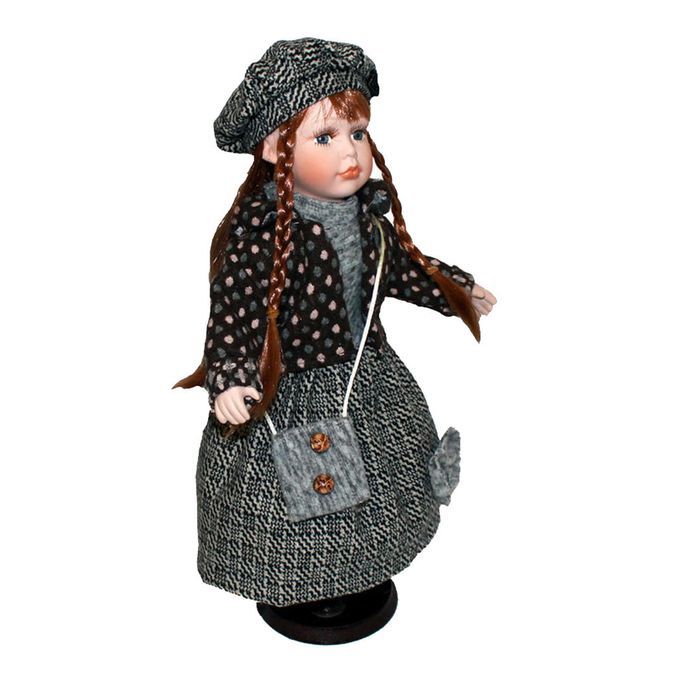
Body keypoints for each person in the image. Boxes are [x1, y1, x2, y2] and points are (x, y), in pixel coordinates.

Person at [174, 37, 497, 608]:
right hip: (288, 391)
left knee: (380, 484)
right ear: (275, 147)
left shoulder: (367, 222)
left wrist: (454, 289)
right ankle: (303, 587)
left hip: (365, 379)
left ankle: (364, 572)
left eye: (358, 133)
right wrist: (229, 379)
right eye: (325, 137)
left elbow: (402, 269)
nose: (350, 151)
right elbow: (232, 314)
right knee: (295, 505)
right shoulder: (262, 237)